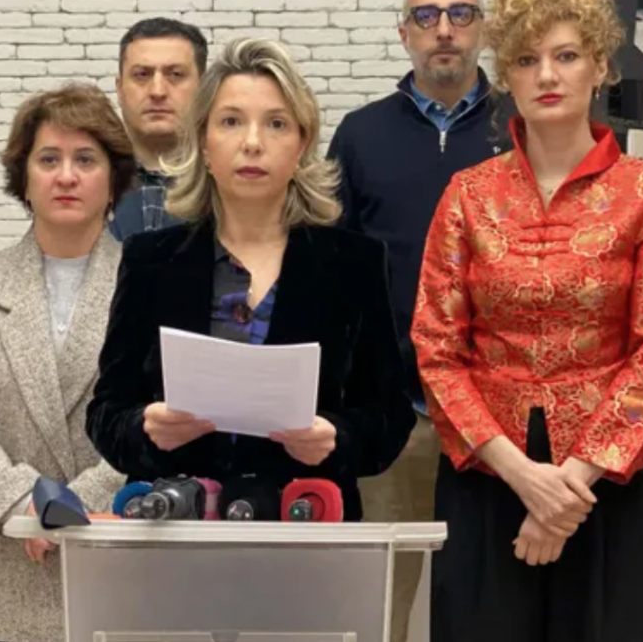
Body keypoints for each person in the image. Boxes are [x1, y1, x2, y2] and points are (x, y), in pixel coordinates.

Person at [412, 0, 643, 641]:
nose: (546, 75)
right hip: (490, 472)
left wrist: (566, 489)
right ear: (505, 76)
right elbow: (437, 347)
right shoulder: (468, 194)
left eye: (566, 56)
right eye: (525, 60)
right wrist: (523, 477)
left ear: (600, 67)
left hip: (612, 480)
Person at [86, 38, 416, 522]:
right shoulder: (150, 260)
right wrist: (145, 429)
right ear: (203, 142)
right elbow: (106, 414)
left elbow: (391, 417)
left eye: (276, 123)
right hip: (179, 527)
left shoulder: (354, 263)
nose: (253, 142)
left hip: (308, 525)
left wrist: (337, 438)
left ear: (302, 144)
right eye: (231, 121)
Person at [327, 0, 510, 639]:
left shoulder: (522, 127)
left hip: (501, 425)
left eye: (461, 14)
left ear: (483, 29)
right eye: (427, 16)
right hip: (396, 418)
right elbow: (332, 272)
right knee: (381, 610)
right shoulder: (360, 135)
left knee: (492, 603)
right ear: (404, 33)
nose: (444, 30)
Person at [0, 84, 130, 642]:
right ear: (24, 176)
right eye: (49, 159)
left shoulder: (152, 284)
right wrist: (25, 503)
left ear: (114, 179)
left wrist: (74, 507)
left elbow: (160, 415)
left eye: (86, 160)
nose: (66, 176)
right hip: (5, 566)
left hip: (115, 558)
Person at [109, 17, 208, 240]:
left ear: (203, 87)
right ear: (120, 88)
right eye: (142, 75)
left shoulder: (230, 183)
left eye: (175, 75)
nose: (158, 91)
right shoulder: (86, 182)